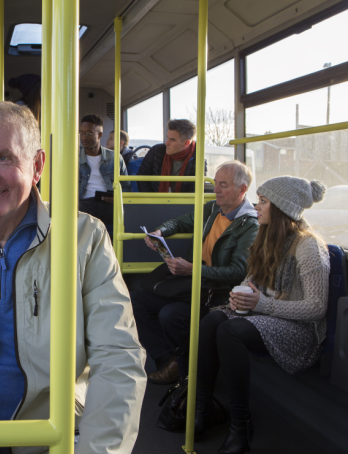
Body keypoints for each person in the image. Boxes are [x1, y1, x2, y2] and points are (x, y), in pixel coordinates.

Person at [0, 102, 147, 454]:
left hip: (51, 437)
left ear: (37, 166)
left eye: (4, 158)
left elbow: (117, 356)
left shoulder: (84, 239)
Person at [195, 176, 329, 454]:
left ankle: (240, 427)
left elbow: (317, 308)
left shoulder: (308, 246)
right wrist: (241, 295)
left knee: (230, 331)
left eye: (264, 201)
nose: (256, 206)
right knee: (212, 320)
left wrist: (261, 305)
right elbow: (252, 283)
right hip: (266, 315)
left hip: (300, 329)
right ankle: (202, 407)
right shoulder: (265, 238)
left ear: (281, 208)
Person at [132, 161, 259, 384]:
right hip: (191, 283)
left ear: (242, 190)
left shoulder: (249, 225)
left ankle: (183, 366)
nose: (216, 190)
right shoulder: (211, 209)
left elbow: (238, 272)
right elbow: (181, 222)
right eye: (215, 183)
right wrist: (160, 231)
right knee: (137, 301)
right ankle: (170, 361)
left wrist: (193, 269)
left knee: (170, 315)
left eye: (223, 185)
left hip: (215, 291)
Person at [78, 114, 131, 235]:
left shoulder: (115, 158)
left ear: (100, 135)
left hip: (108, 204)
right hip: (84, 203)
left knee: (125, 214)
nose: (84, 137)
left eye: (89, 133)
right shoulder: (74, 157)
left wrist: (116, 198)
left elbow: (126, 187)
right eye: (81, 133)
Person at [136, 119, 206, 193]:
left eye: (172, 140)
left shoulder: (198, 158)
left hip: (183, 203)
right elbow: (142, 178)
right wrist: (152, 201)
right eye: (167, 138)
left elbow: (195, 189)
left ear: (186, 143)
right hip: (155, 201)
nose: (166, 143)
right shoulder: (156, 151)